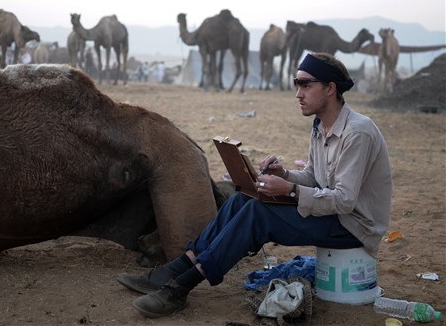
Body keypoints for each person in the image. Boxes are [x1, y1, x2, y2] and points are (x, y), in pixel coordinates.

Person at [117, 52, 393, 318]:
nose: (298, 93)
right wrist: (285, 175)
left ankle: (181, 286)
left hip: (353, 226)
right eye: (297, 84)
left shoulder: (357, 132)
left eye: (306, 85)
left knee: (257, 214)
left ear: (330, 88)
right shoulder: (321, 126)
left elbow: (344, 200)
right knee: (241, 201)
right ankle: (178, 266)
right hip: (331, 214)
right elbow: (314, 178)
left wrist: (290, 191)